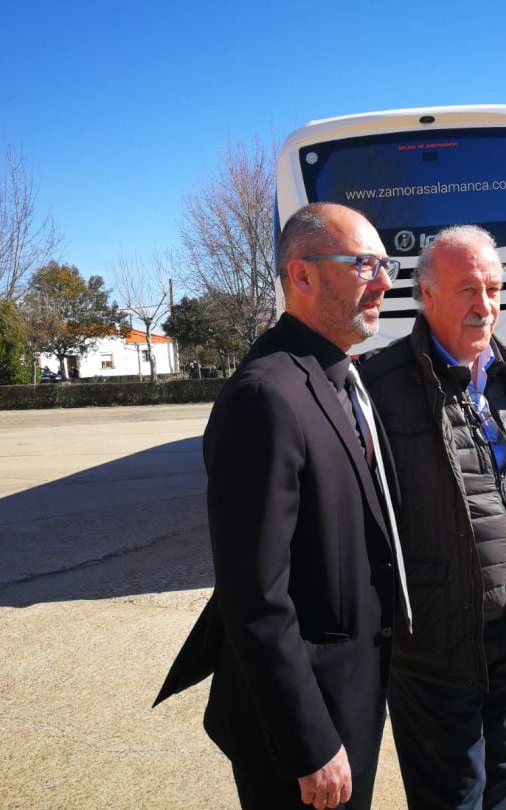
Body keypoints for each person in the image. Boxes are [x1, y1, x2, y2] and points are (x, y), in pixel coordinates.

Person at [153, 203, 410, 810]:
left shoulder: (337, 376)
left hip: (351, 685)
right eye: (364, 264)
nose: (384, 280)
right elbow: (254, 596)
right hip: (306, 716)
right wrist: (309, 742)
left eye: (386, 264)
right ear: (302, 275)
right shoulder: (265, 396)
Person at [359, 226, 506, 810]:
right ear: (427, 295)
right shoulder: (379, 385)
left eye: (494, 289)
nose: (485, 305)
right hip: (434, 642)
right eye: (467, 289)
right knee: (453, 798)